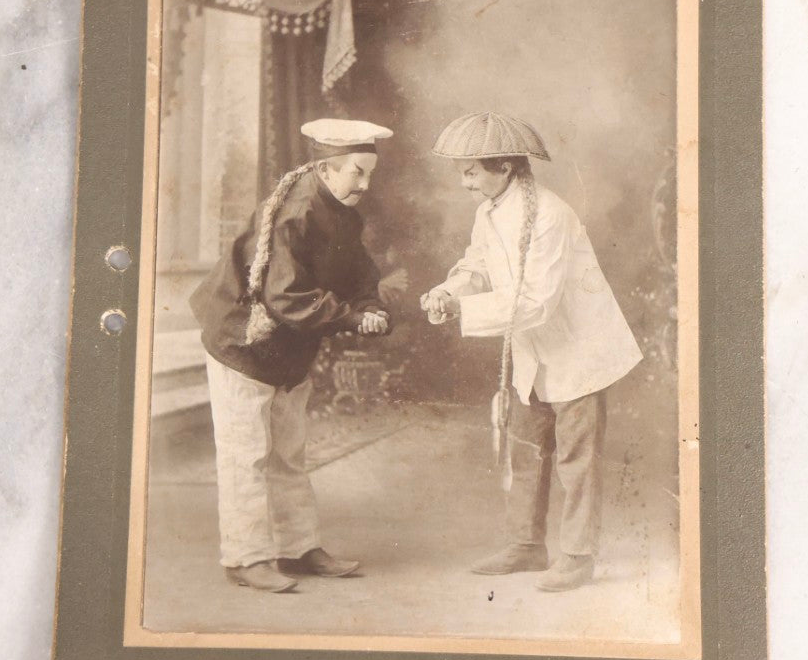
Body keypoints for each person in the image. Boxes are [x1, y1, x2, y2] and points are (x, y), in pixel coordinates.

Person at [421, 111, 642, 592]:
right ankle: (526, 545)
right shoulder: (489, 211)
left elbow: (536, 302)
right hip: (533, 347)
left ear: (504, 168)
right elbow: (476, 263)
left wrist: (464, 313)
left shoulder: (551, 215)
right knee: (526, 449)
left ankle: (579, 556)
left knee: (576, 458)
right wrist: (451, 291)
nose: (464, 182)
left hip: (579, 350)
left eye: (471, 171)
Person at [190, 118, 393, 592]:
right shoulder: (295, 212)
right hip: (244, 342)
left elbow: (357, 270)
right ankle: (244, 558)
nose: (364, 184)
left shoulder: (341, 209)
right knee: (248, 456)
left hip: (288, 348)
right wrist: (350, 317)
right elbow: (286, 297)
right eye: (357, 173)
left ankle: (298, 548)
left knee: (289, 453)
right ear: (326, 168)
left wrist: (370, 306)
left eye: (369, 174)